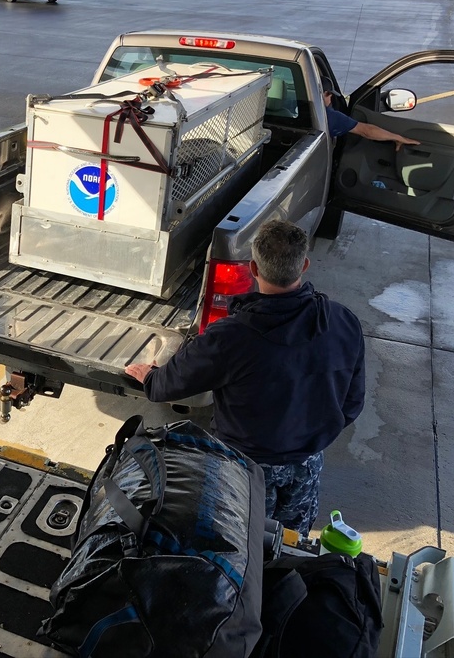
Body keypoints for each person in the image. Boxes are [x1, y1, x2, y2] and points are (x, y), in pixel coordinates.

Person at [125, 220, 365, 534]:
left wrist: (150, 377)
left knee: (242, 542)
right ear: (304, 264)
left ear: (253, 268)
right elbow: (352, 403)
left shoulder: (230, 337)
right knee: (291, 545)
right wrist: (312, 433)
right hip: (306, 462)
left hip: (246, 467)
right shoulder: (343, 322)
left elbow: (168, 385)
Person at [322, 76, 419, 150]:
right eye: (329, 94)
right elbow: (367, 131)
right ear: (322, 93)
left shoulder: (313, 113)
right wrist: (397, 137)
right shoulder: (329, 116)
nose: (330, 99)